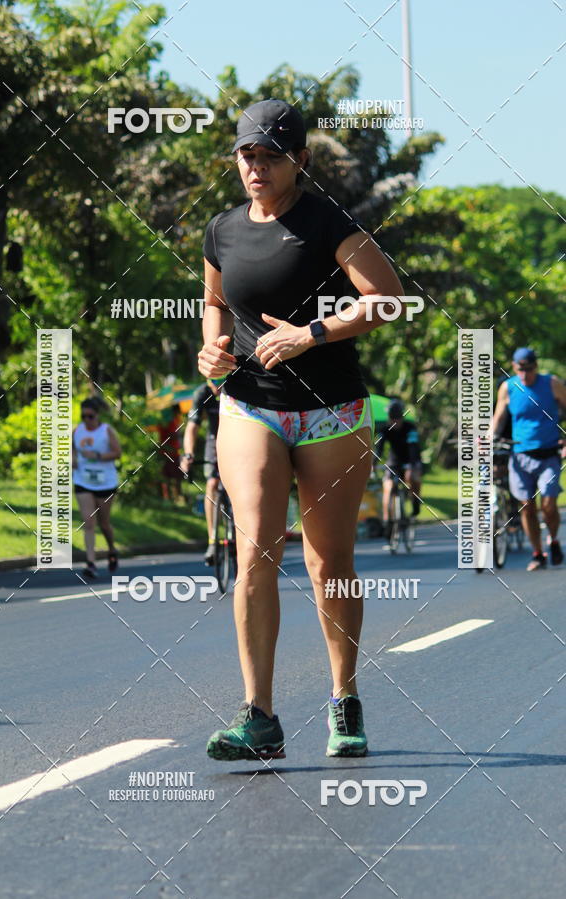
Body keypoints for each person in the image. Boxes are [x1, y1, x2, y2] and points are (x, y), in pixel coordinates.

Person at [198, 98, 404, 761]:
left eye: (270, 156)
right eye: (247, 155)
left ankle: (344, 697)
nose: (256, 167)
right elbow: (215, 302)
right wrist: (211, 349)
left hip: (331, 412)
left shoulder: (329, 223)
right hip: (250, 403)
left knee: (328, 561)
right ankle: (259, 716)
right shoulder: (222, 231)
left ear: (300, 160)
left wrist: (310, 333)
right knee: (254, 548)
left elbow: (387, 300)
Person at [492, 347, 566, 571]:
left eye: (529, 369)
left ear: (536, 366)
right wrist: (487, 438)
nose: (524, 374)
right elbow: (498, 419)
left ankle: (553, 539)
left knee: (549, 506)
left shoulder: (552, 383)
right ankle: (537, 553)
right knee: (527, 506)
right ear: (514, 367)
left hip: (548, 454)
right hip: (520, 455)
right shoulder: (508, 387)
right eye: (520, 369)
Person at [72, 397, 122, 579]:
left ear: (97, 415)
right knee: (88, 521)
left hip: (105, 482)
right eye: (83, 416)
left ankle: (112, 549)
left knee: (104, 523)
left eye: (90, 416)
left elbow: (117, 453)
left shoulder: (106, 431)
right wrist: (73, 459)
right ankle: (91, 563)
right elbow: (71, 449)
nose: (87, 420)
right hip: (83, 481)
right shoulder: (76, 430)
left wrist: (98, 456)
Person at [180, 379, 223, 563]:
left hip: (239, 439)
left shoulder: (234, 387)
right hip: (214, 440)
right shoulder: (202, 393)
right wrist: (188, 454)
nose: (216, 388)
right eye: (212, 383)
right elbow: (192, 427)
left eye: (219, 383)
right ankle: (212, 540)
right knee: (212, 484)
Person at [376, 399, 423, 538]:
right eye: (392, 419)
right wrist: (373, 464)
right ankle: (387, 521)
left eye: (397, 418)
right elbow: (379, 450)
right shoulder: (385, 429)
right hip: (394, 463)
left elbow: (413, 448)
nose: (395, 422)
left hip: (411, 460)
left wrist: (411, 467)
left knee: (413, 477)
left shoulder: (410, 428)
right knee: (388, 487)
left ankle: (415, 503)